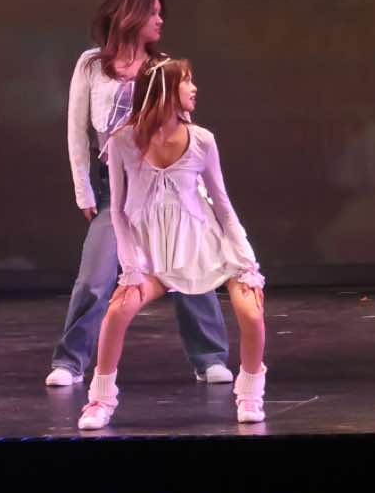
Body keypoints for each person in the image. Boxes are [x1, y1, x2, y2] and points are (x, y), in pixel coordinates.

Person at [46, 0, 233, 390]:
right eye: (154, 13)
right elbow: (77, 131)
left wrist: (196, 192)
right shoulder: (91, 65)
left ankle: (209, 358)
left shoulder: (163, 66)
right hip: (116, 189)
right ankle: (71, 362)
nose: (160, 21)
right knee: (95, 278)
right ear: (131, 15)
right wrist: (83, 191)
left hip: (166, 187)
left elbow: (182, 128)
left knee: (189, 267)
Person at [78, 59, 268, 429]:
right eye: (187, 81)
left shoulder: (202, 141)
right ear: (164, 90)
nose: (194, 89)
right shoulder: (122, 142)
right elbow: (118, 211)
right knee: (117, 312)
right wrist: (131, 267)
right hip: (154, 257)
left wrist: (247, 260)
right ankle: (100, 399)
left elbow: (222, 205)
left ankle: (250, 393)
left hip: (208, 248)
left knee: (251, 312)